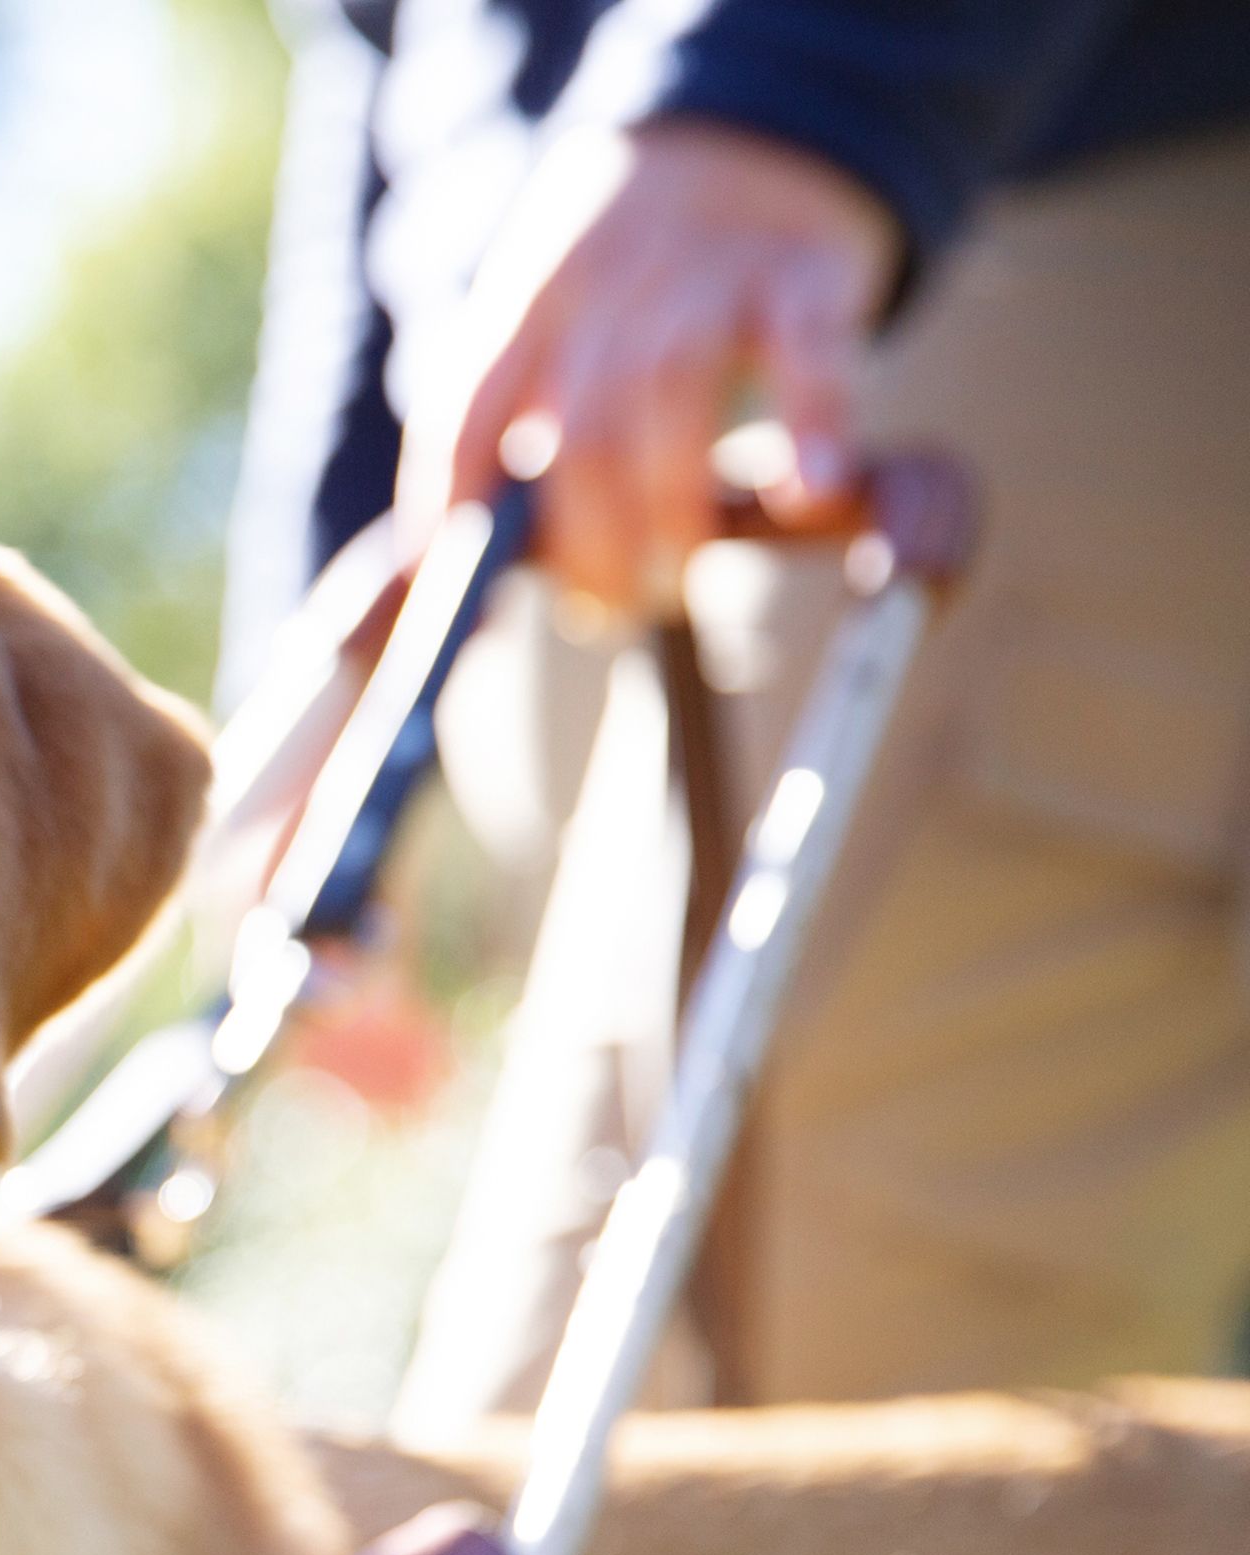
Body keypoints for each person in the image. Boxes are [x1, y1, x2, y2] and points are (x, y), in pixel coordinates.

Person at [220, 0, 1250, 1425]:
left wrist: (784, 88)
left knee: (631, 1546)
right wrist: (320, 609)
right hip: (592, 451)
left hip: (1001, 222)